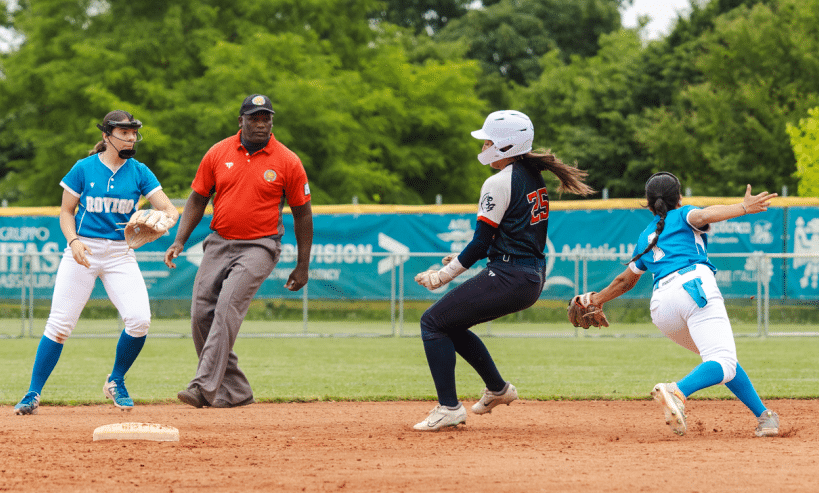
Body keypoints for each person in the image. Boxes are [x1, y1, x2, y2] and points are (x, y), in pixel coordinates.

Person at [413, 110, 595, 431]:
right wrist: (460, 258)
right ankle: (498, 389)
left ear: (507, 146)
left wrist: (442, 277)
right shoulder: (530, 173)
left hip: (511, 276)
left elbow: (481, 243)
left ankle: (449, 408)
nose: (484, 146)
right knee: (450, 325)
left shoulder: (499, 181)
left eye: (490, 140)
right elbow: (504, 235)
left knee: (432, 323)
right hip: (527, 276)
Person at [584, 171, 780, 437]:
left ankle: (764, 416)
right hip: (693, 288)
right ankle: (677, 391)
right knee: (722, 360)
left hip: (662, 307)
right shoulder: (683, 214)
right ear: (679, 197)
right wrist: (743, 207)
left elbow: (624, 282)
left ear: (649, 202)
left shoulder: (645, 236)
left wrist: (594, 300)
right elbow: (701, 216)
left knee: (721, 360)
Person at [14, 110, 179, 415]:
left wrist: (163, 219)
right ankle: (33, 393)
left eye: (133, 133)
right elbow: (66, 212)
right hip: (83, 251)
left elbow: (170, 209)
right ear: (107, 136)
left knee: (140, 320)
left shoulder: (140, 172)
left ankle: (116, 380)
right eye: (124, 133)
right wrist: (73, 241)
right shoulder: (84, 168)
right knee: (60, 324)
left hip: (120, 253)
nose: (131, 138)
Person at [164, 94, 313, 409]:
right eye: (254, 118)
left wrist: (303, 265)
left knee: (226, 306)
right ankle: (238, 390)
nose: (260, 124)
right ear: (241, 121)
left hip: (261, 245)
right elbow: (197, 198)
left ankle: (203, 386)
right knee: (200, 315)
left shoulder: (288, 160)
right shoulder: (218, 152)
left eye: (266, 118)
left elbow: (303, 214)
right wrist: (180, 239)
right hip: (219, 242)